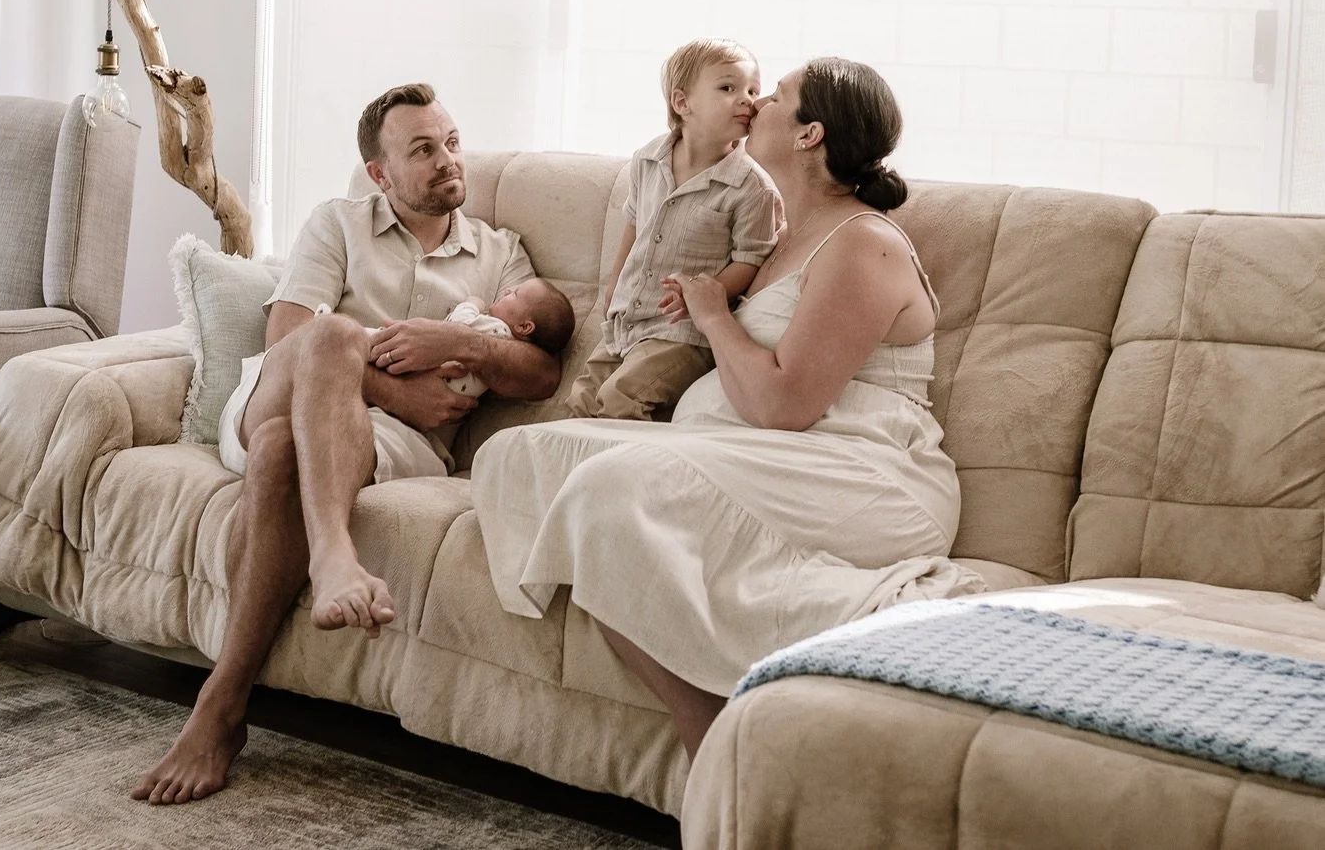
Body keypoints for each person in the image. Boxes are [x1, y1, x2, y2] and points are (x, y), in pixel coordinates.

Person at [473, 57, 984, 761]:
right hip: (766, 456)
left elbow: (783, 403)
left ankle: (712, 746)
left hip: (865, 470)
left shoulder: (862, 242)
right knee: (523, 454)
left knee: (607, 493)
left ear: (809, 136)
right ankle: (722, 727)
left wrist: (716, 316)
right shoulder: (783, 238)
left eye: (776, 96)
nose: (756, 103)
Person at [132, 83, 562, 805]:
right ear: (380, 173)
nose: (446, 160)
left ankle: (220, 707)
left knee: (279, 454)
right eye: (422, 149)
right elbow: (287, 339)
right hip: (284, 392)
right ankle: (335, 556)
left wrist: (453, 339)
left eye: (451, 141)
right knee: (328, 333)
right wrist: (393, 388)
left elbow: (541, 367)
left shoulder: (500, 253)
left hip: (395, 446)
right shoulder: (338, 223)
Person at [565, 37, 782, 421]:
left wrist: (706, 294)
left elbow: (750, 260)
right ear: (683, 103)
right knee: (580, 402)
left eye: (753, 90)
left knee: (620, 398)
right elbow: (634, 223)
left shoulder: (752, 186)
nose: (747, 99)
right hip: (626, 319)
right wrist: (613, 284)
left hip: (681, 333)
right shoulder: (649, 159)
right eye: (728, 88)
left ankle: (620, 477)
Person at [339, 277, 574, 399]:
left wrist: (472, 303)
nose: (506, 291)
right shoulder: (501, 339)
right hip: (443, 382)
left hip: (434, 376)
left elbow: (460, 324)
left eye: (514, 294)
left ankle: (340, 335)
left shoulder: (498, 330)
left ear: (524, 326)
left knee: (378, 340)